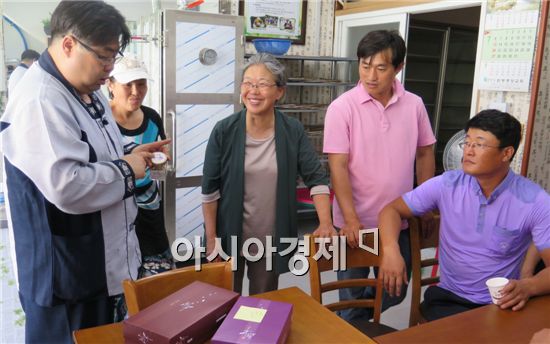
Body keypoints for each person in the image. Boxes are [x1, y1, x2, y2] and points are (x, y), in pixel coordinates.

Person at [0, 2, 169, 342]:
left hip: (95, 267)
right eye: (104, 57)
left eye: (114, 57)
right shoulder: (41, 99)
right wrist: (127, 170)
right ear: (68, 44)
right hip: (65, 275)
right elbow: (67, 185)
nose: (109, 68)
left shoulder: (83, 92)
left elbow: (94, 153)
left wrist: (130, 154)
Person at [378, 109, 550, 321]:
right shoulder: (447, 184)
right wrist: (390, 250)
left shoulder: (535, 201)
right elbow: (391, 210)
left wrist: (528, 286)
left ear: (506, 153)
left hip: (500, 303)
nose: (468, 151)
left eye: (479, 144)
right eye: (467, 143)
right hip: (448, 298)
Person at [323, 29, 436, 321]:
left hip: (400, 219)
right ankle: (352, 327)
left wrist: (424, 206)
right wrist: (349, 219)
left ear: (398, 68)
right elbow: (338, 166)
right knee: (350, 291)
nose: (370, 75)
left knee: (396, 288)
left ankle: (349, 321)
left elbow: (425, 154)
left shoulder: (414, 105)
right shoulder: (342, 107)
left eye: (381, 68)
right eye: (365, 65)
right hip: (353, 224)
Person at [202, 53, 337, 295]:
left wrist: (326, 223)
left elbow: (316, 179)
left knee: (260, 307)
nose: (253, 91)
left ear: (279, 92)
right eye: (248, 83)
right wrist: (211, 240)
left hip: (269, 240)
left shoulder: (292, 130)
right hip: (228, 235)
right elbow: (210, 191)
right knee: (223, 303)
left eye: (263, 84)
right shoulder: (224, 130)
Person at [108, 55, 173, 278]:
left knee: (159, 274)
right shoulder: (102, 122)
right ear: (110, 84)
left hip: (149, 205)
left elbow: (159, 172)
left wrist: (161, 162)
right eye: (128, 84)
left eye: (141, 83)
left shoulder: (152, 117)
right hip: (115, 204)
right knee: (122, 274)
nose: (136, 91)